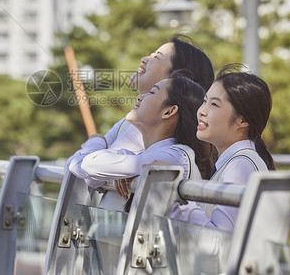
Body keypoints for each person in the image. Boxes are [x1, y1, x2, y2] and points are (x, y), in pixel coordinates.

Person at [66, 36, 215, 209]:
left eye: (156, 57)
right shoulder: (133, 123)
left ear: (179, 78)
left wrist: (97, 142)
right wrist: (120, 163)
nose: (145, 59)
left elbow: (85, 168)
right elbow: (83, 167)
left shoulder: (154, 135)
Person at [171, 64, 275, 231]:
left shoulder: (240, 165)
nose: (202, 111)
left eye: (214, 105)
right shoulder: (237, 161)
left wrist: (179, 200)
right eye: (205, 101)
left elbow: (221, 241)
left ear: (242, 120)